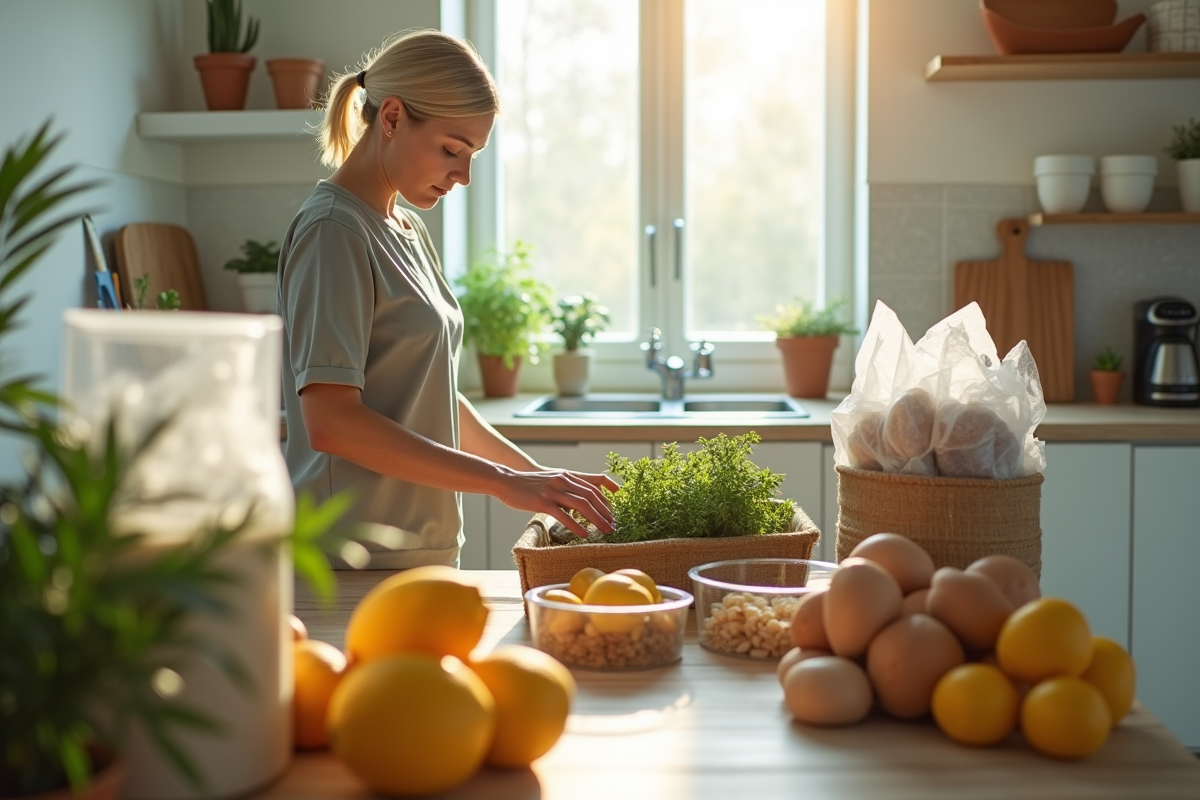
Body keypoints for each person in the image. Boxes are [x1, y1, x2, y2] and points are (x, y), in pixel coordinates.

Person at [278, 28, 617, 569]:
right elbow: (332, 420)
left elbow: (432, 396)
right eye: (451, 150)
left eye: (473, 155)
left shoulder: (406, 227)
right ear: (390, 118)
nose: (461, 175)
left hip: (420, 548)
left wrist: (545, 487)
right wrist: (505, 483)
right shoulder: (334, 230)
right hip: (349, 558)